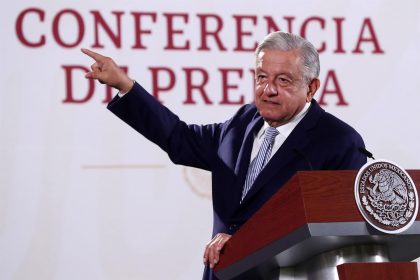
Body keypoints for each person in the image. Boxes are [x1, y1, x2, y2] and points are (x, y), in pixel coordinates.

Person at [82, 31, 367, 280]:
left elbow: (335, 234)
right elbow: (179, 139)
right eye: (262, 77)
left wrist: (249, 243)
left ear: (312, 88)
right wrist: (125, 85)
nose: (268, 90)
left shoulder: (339, 142)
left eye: (283, 80)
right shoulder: (244, 121)